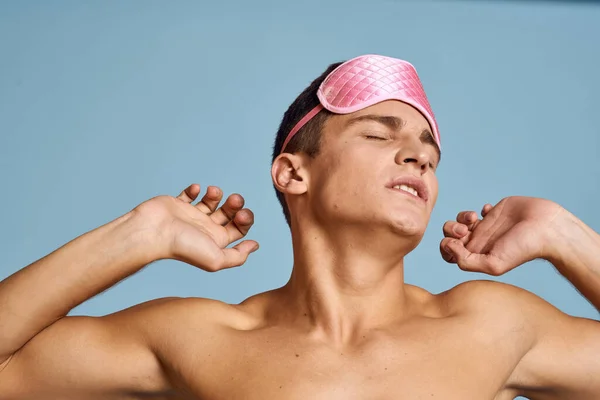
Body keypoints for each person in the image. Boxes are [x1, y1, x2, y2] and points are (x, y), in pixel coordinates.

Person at [0, 54, 598, 400]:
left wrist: (564, 236)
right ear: (293, 173)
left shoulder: (492, 325)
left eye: (427, 152)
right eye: (379, 134)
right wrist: (137, 234)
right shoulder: (200, 339)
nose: (417, 156)